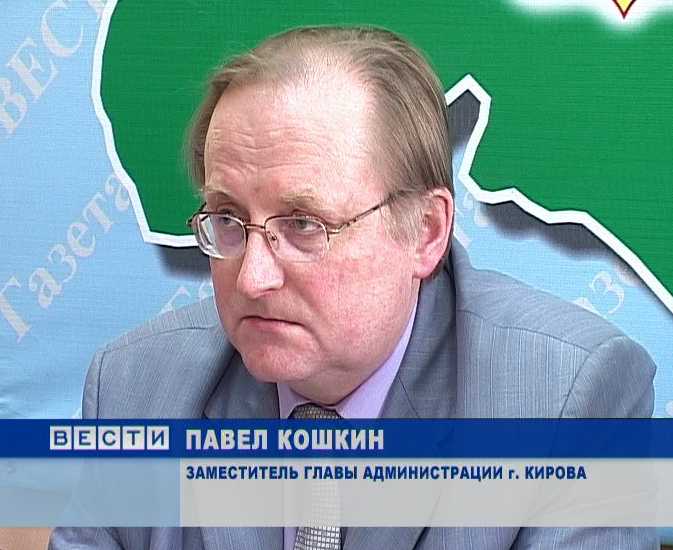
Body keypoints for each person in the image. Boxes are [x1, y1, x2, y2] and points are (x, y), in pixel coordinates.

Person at [50, 26, 657, 549]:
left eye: (304, 225)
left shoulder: (565, 402)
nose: (253, 278)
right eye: (228, 220)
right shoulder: (135, 389)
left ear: (425, 232)